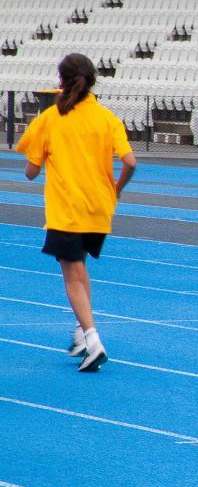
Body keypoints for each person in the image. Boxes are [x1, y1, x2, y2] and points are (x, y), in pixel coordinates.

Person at [16, 53, 137, 373]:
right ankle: (82, 334)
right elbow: (130, 162)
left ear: (62, 81)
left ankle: (93, 341)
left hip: (67, 209)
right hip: (99, 208)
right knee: (79, 269)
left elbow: (30, 171)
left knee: (71, 277)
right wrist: (117, 189)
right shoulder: (107, 119)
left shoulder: (51, 118)